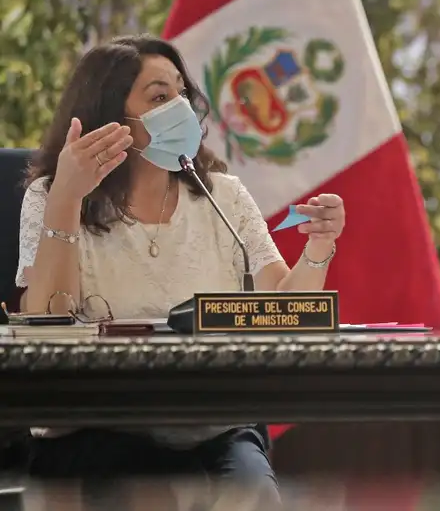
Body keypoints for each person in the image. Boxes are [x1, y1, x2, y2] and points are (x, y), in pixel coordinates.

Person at [15, 34, 346, 508]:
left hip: (210, 425)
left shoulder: (223, 195)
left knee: (254, 492)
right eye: (159, 97)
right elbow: (45, 319)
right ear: (111, 115)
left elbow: (285, 306)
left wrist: (318, 247)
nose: (180, 108)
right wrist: (67, 199)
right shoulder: (52, 196)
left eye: (181, 93)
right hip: (97, 425)